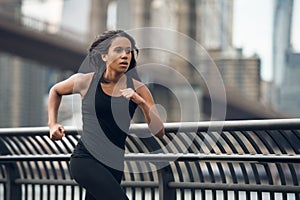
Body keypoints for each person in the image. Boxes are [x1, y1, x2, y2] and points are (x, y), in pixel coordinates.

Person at [48, 30, 165, 200]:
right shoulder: (85, 81)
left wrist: (141, 102)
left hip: (114, 165)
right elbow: (55, 91)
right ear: (104, 56)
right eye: (118, 50)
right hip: (85, 160)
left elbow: (159, 131)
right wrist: (53, 124)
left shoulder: (139, 89)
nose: (125, 55)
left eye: (129, 51)